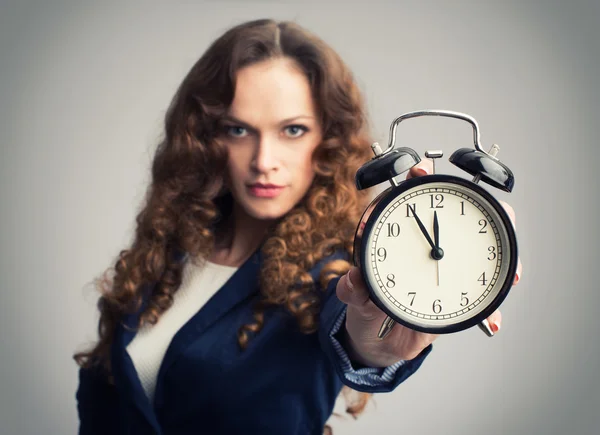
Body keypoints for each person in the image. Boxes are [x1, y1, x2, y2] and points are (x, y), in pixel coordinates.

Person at [73, 18, 522, 435]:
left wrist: (380, 342)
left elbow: (352, 330)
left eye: (291, 130)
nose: (264, 161)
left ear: (327, 140)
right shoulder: (168, 256)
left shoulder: (336, 272)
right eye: (238, 130)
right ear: (206, 138)